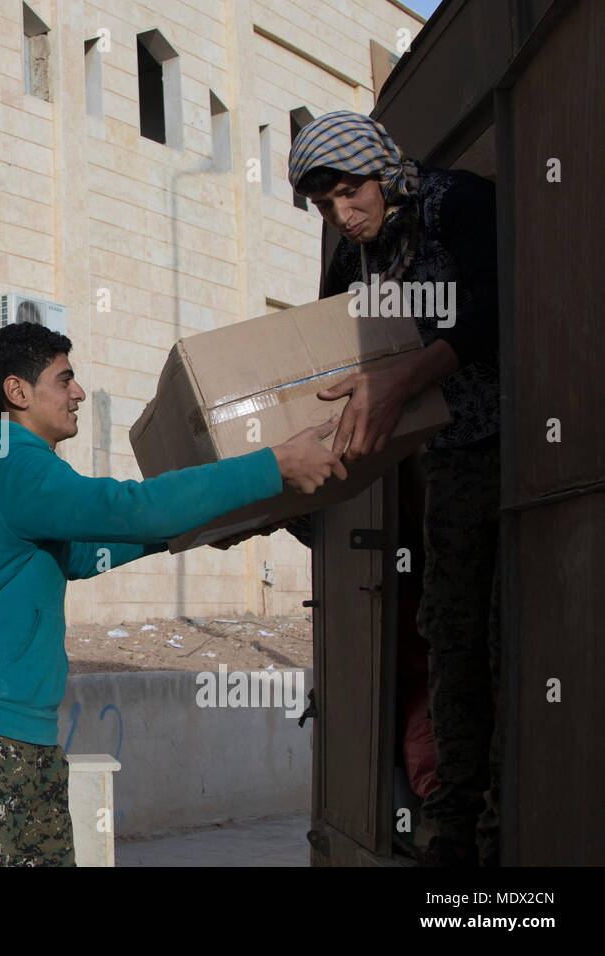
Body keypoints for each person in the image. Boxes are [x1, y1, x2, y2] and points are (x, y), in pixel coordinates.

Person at [0, 322, 347, 866]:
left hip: (21, 731)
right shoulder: (15, 465)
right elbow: (128, 508)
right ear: (18, 393)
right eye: (65, 379)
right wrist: (272, 466)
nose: (78, 393)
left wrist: (197, 530)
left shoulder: (19, 470)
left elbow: (83, 553)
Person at [287, 110, 501, 866]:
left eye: (350, 194)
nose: (343, 216)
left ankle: (493, 812)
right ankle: (459, 817)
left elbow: (498, 307)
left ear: (382, 171)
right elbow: (321, 355)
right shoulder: (352, 260)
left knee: (506, 630)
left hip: (513, 439)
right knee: (450, 630)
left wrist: (410, 371)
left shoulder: (456, 203)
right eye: (324, 206)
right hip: (440, 459)